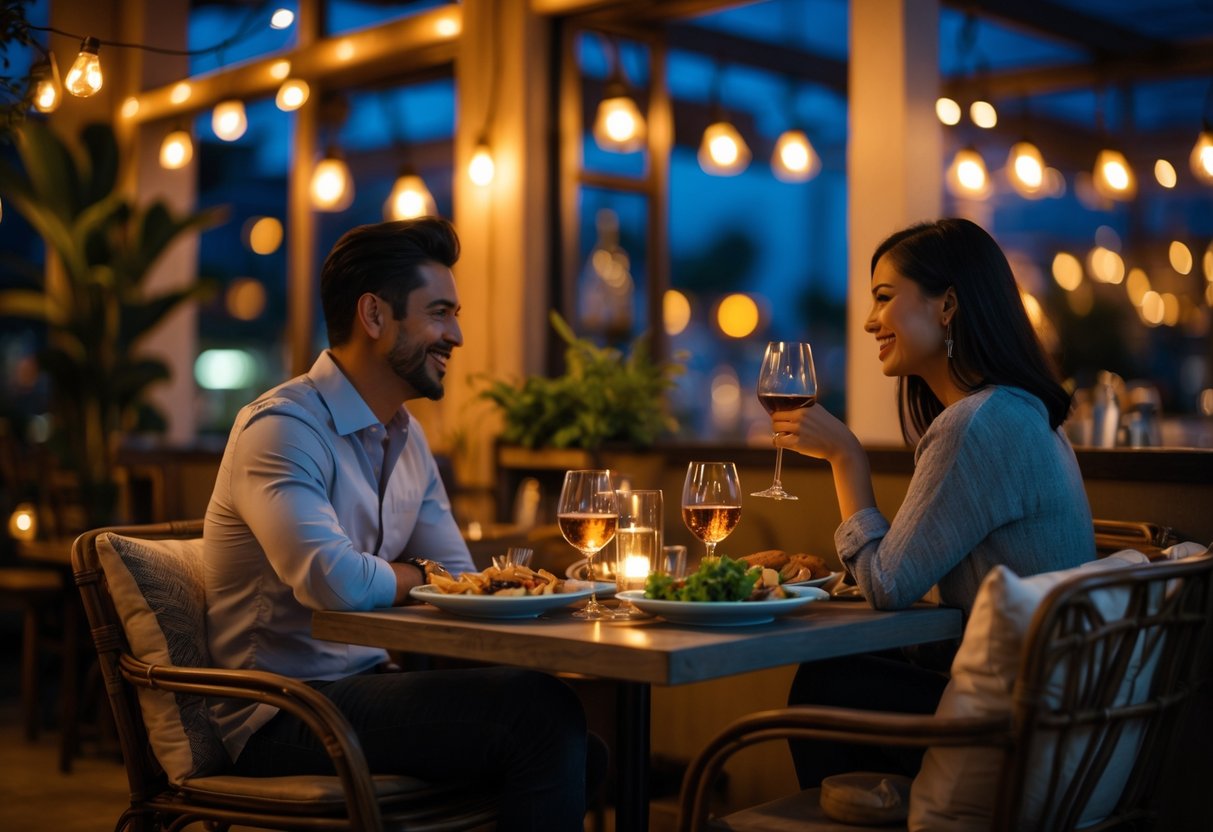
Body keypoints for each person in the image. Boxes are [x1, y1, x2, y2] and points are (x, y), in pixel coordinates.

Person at [203, 217, 592, 829]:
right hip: (280, 711)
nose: (456, 335)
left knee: (586, 746)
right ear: (374, 315)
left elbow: (462, 580)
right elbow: (333, 582)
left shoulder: (409, 441)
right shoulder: (281, 428)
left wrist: (533, 588)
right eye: (440, 313)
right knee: (538, 718)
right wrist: (423, 575)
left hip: (366, 683)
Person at [768, 218, 1095, 786]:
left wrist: (845, 455)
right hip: (1056, 711)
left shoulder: (977, 425)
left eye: (884, 297)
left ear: (947, 306)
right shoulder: (1021, 410)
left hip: (1012, 727)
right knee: (847, 669)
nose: (869, 321)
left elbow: (887, 584)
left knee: (827, 684)